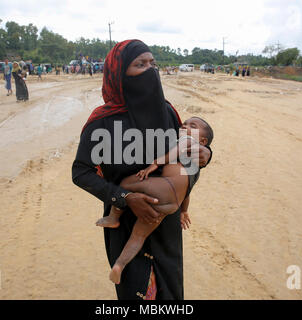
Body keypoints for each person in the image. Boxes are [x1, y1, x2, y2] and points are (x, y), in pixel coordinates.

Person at [72, 40, 212, 300]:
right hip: (125, 225)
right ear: (119, 73)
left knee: (169, 294)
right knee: (135, 293)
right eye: (140, 64)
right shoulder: (102, 122)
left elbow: (186, 163)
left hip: (165, 226)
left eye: (152, 64)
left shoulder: (168, 113)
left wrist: (204, 156)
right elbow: (81, 172)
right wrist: (125, 198)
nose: (150, 70)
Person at [96, 116, 214, 284]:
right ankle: (119, 266)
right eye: (184, 123)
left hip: (164, 188)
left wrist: (154, 164)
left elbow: (173, 153)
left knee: (125, 184)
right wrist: (184, 210)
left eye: (192, 125)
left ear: (202, 141)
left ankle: (113, 217)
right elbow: (187, 191)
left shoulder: (188, 141)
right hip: (172, 204)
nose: (184, 126)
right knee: (139, 235)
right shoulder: (193, 164)